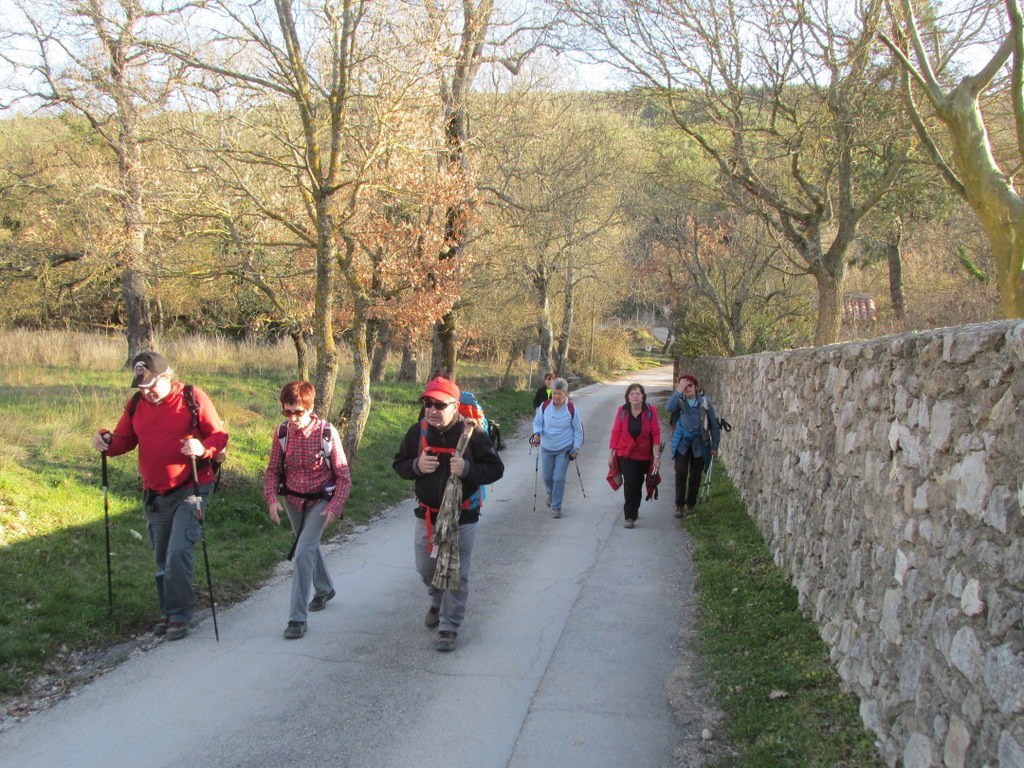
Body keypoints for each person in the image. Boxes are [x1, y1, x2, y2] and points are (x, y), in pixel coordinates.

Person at [91, 351, 229, 641]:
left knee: (178, 550)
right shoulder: (137, 404)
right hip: (155, 493)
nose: (148, 392)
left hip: (193, 486)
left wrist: (202, 449)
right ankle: (168, 611)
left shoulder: (192, 398)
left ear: (168, 377)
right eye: (142, 387)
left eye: (153, 385)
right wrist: (106, 441)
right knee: (162, 554)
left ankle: (180, 615)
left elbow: (218, 436)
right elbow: (124, 440)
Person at [393, 376, 504, 652]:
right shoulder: (418, 432)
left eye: (439, 405)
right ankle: (437, 598)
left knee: (456, 572)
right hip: (427, 514)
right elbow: (399, 464)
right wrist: (417, 466)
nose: (432, 409)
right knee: (426, 567)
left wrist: (467, 470)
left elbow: (496, 469)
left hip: (462, 516)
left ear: (455, 406)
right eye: (428, 403)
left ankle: (449, 627)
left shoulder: (473, 435)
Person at [263, 381, 352, 640]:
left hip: (320, 501)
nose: (292, 418)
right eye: (287, 412)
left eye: (297, 412)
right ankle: (324, 589)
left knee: (302, 553)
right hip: (293, 500)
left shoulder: (326, 432)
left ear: (310, 407)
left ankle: (296, 619)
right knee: (307, 545)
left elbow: (344, 476)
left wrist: (335, 508)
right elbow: (272, 471)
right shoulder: (282, 432)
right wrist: (271, 499)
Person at [665, 373, 720, 519]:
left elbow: (714, 425)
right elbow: (669, 408)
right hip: (682, 443)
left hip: (700, 443)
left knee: (695, 475)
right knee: (681, 472)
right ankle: (679, 506)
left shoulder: (705, 402)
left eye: (690, 385)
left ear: (696, 387)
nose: (687, 388)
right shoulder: (679, 400)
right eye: (684, 385)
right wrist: (678, 391)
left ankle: (690, 505)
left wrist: (714, 446)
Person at [607, 383, 662, 529]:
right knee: (630, 482)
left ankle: (634, 508)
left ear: (643, 396)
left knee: (637, 483)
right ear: (628, 397)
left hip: (644, 454)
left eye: (638, 393)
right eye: (632, 394)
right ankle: (629, 516)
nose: (635, 396)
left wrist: (656, 457)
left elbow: (655, 434)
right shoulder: (622, 411)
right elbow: (616, 432)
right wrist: (610, 454)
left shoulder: (651, 411)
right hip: (625, 453)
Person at [530, 377, 584, 519]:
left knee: (558, 478)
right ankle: (550, 493)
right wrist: (537, 433)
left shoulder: (571, 409)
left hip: (564, 449)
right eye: (554, 393)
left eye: (560, 393)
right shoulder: (545, 406)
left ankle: (556, 506)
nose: (556, 396)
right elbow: (537, 423)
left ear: (566, 394)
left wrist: (576, 448)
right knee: (547, 477)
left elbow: (578, 430)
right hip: (547, 447)